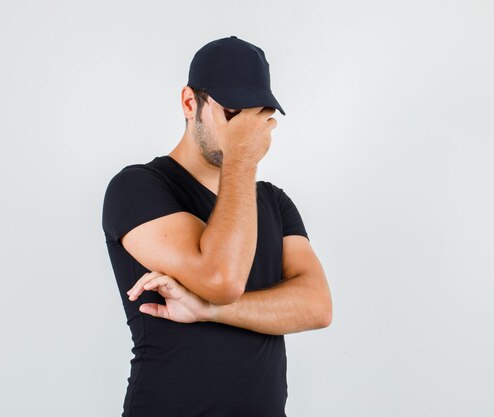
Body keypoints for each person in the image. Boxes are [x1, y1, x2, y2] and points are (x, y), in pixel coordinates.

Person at [101, 35, 333, 417]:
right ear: (191, 103)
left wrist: (209, 311)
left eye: (255, 115)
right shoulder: (138, 187)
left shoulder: (273, 202)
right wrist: (242, 157)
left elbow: (317, 306)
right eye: (232, 113)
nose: (245, 128)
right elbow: (222, 278)